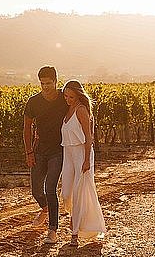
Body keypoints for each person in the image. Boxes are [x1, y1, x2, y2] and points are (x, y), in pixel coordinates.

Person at [24, 66, 69, 244]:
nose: (45, 87)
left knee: (50, 188)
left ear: (56, 81)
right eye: (42, 84)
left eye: (49, 83)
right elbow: (26, 128)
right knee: (36, 190)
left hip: (58, 150)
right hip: (39, 150)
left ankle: (52, 230)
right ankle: (45, 209)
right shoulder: (33, 102)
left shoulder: (64, 99)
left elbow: (81, 109)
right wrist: (29, 152)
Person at [60, 80, 107, 246]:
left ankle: (74, 234)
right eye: (65, 96)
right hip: (68, 154)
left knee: (79, 193)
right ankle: (76, 218)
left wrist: (87, 159)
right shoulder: (67, 109)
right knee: (66, 192)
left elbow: (89, 138)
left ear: (78, 95)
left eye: (71, 96)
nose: (68, 99)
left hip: (81, 153)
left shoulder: (81, 110)